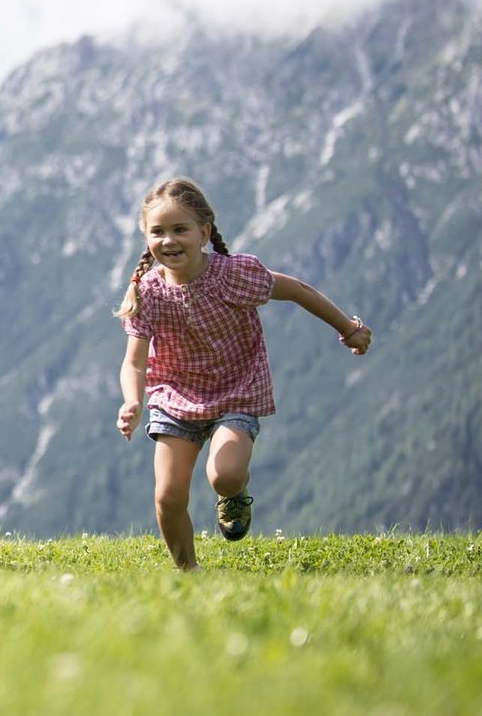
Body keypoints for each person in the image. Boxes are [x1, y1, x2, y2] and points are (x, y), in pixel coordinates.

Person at [114, 177, 372, 571]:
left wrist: (347, 328)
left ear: (204, 231)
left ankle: (234, 495)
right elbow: (134, 361)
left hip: (236, 391)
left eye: (180, 229)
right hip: (175, 397)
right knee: (167, 496)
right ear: (146, 237)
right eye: (158, 232)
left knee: (226, 475)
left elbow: (299, 290)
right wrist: (133, 400)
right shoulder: (147, 292)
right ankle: (188, 574)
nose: (169, 240)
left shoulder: (234, 275)